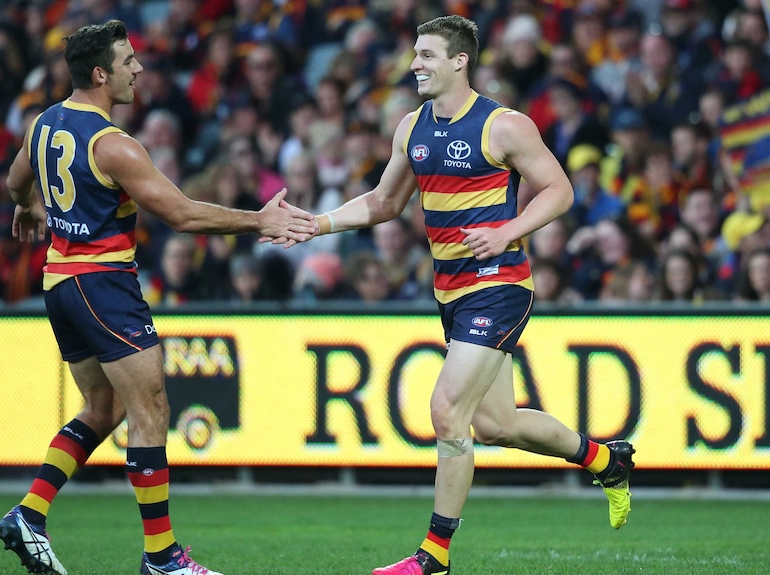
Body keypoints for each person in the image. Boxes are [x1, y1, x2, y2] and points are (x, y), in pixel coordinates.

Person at [263, 15, 635, 575]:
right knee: (495, 426)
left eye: (428, 55)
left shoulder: (503, 126)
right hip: (450, 290)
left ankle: (432, 558)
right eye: (416, 53)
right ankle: (604, 459)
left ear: (460, 61)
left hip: (500, 285)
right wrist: (319, 223)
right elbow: (386, 202)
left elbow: (560, 189)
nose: (415, 63)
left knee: (446, 412)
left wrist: (508, 231)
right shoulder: (411, 127)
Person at [0, 20, 315, 575]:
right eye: (128, 61)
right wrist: (258, 219)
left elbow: (14, 182)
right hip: (104, 285)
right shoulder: (113, 145)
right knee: (151, 411)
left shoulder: (43, 125)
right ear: (101, 74)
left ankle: (30, 513)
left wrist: (26, 207)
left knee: (107, 408)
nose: (138, 69)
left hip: (60, 285)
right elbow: (182, 213)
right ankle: (163, 559)